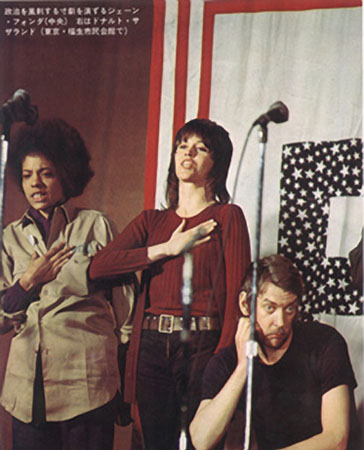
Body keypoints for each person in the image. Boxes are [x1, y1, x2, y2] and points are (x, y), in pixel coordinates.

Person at [89, 118, 251, 449]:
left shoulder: (227, 217)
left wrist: (222, 362)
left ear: (215, 164)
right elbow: (98, 268)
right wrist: (167, 248)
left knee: (201, 442)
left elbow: (239, 299)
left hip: (204, 344)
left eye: (201, 147)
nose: (188, 153)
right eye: (182, 145)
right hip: (150, 346)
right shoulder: (153, 221)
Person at [0, 119, 134, 450]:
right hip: (28, 391)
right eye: (28, 175)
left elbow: (126, 314)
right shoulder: (9, 237)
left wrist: (124, 388)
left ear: (66, 174)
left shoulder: (96, 226)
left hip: (88, 386)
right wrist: (29, 280)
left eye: (46, 173)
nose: (36, 184)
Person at [190, 254, 361, 450]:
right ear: (245, 304)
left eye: (289, 309)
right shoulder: (226, 362)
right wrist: (242, 369)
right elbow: (201, 440)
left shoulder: (325, 343)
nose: (280, 322)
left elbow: (336, 440)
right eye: (269, 308)